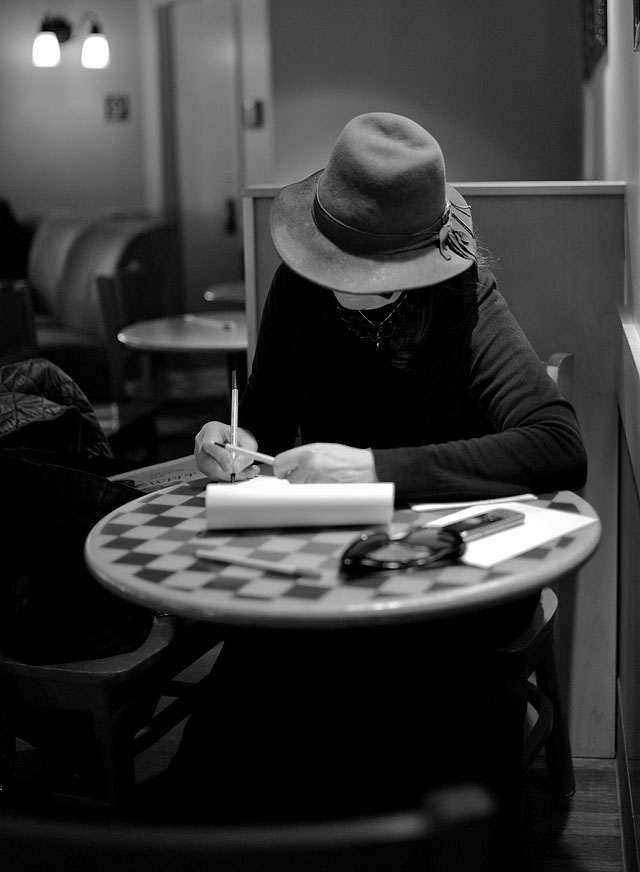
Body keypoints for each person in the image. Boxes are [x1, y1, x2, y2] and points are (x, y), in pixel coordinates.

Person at [168, 114, 587, 862]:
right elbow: (262, 417)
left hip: (442, 584)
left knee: (394, 723)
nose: (342, 286)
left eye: (364, 276)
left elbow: (556, 445)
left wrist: (371, 467)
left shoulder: (465, 299)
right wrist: (230, 442)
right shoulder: (297, 290)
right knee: (245, 702)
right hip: (329, 569)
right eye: (332, 265)